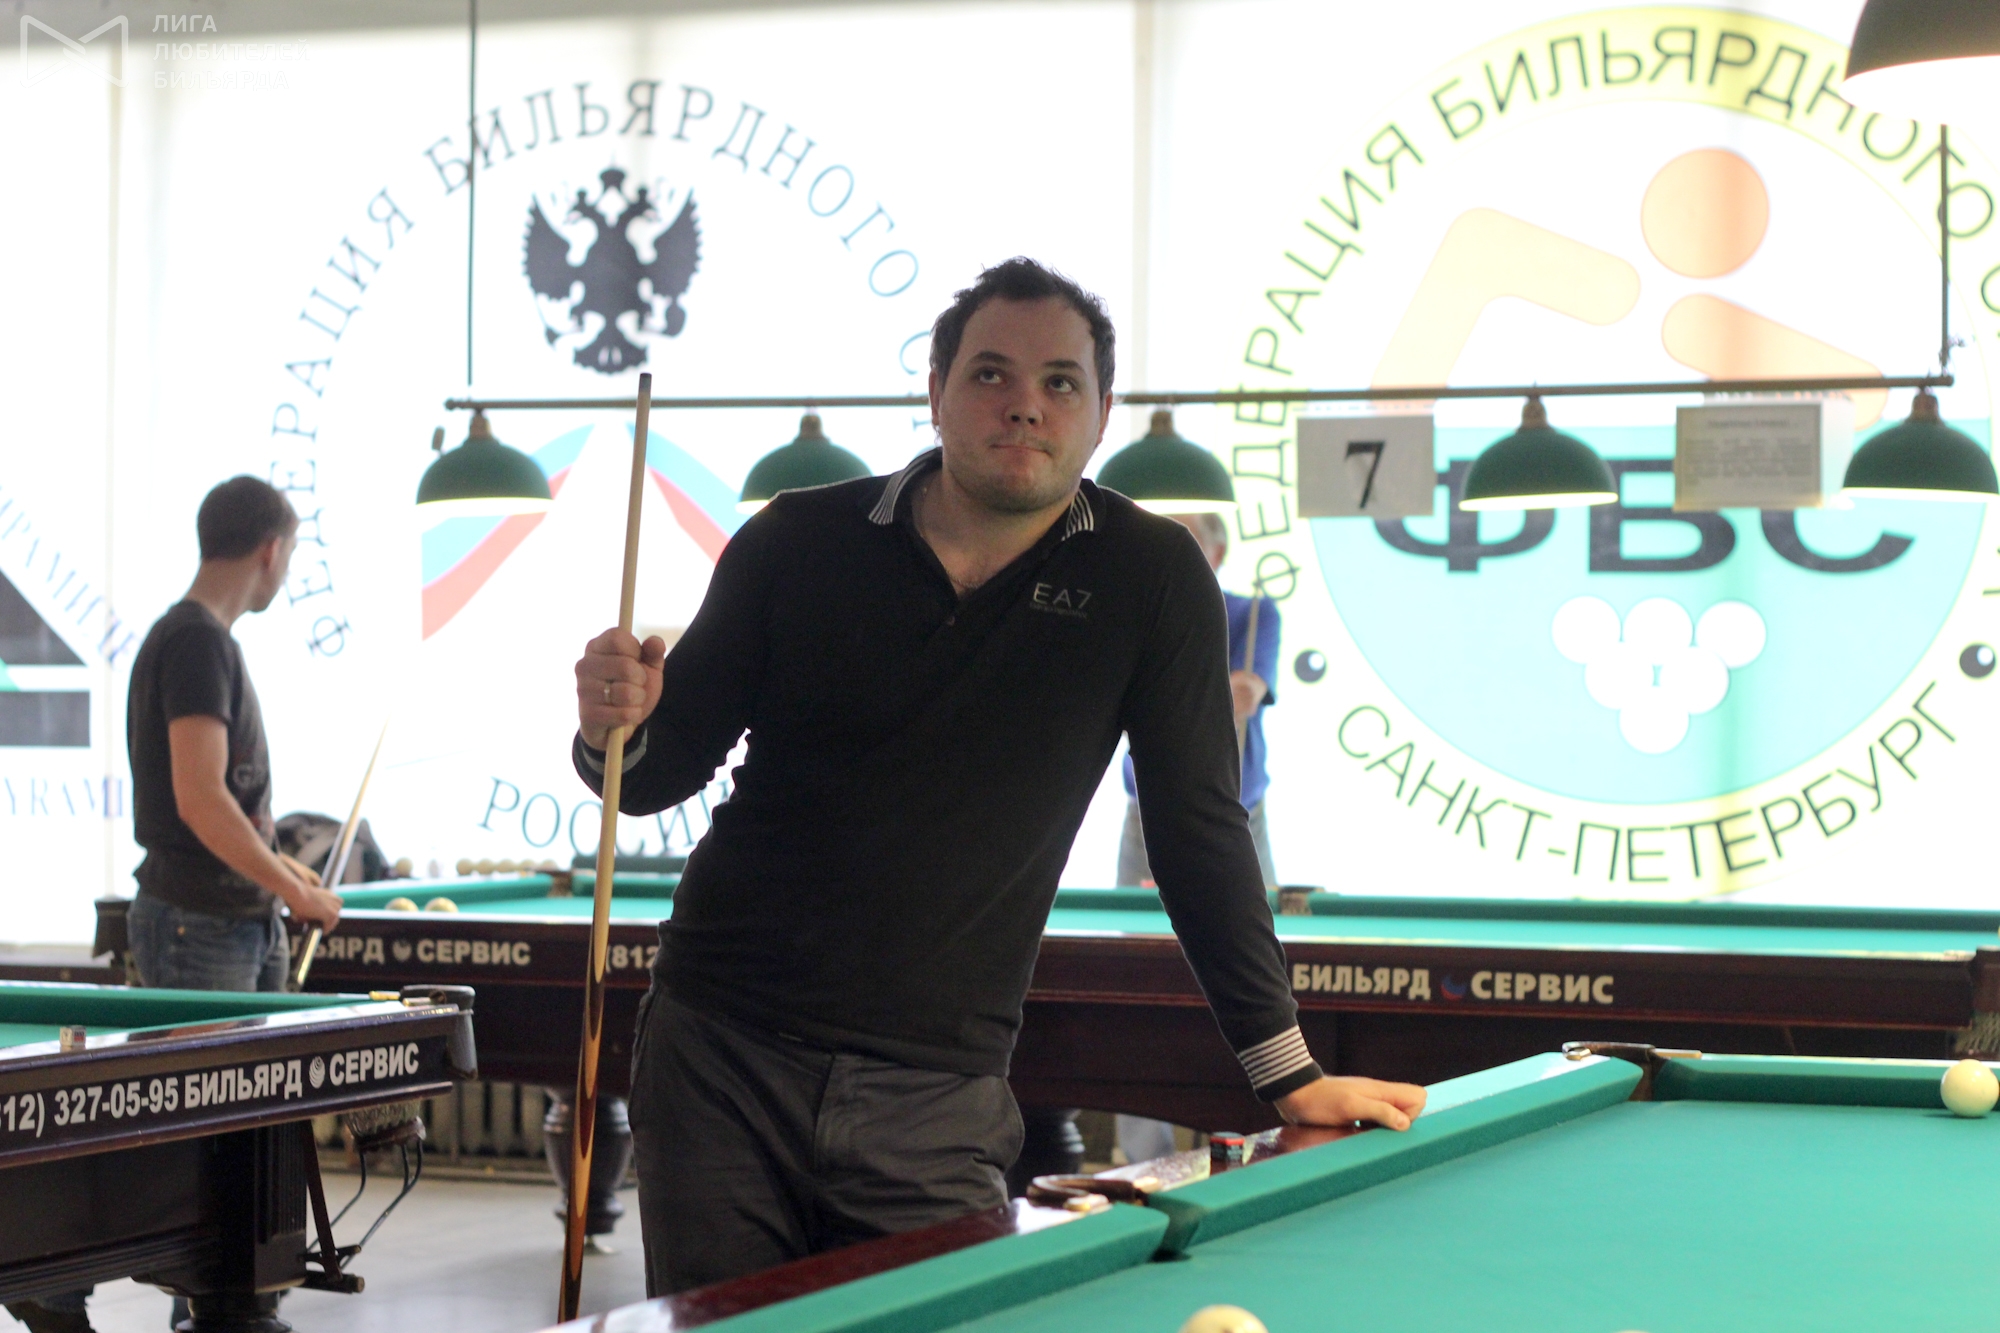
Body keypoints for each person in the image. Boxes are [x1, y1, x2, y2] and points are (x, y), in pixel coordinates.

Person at [572, 258, 1426, 1297]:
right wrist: (609, 725)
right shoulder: (795, 540)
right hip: (719, 1054)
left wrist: (1285, 1070)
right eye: (990, 374)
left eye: (1060, 382)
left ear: (1100, 415)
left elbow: (1197, 829)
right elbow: (650, 776)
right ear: (935, 391)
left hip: (936, 1088)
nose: (1025, 403)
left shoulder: (1151, 578)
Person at [2, 478, 350, 1333]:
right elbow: (199, 801)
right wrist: (292, 887)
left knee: (231, 1143)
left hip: (225, 921)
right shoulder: (196, 642)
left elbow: (223, 805)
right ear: (270, 548)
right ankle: (60, 1286)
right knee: (189, 1139)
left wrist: (286, 884)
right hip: (203, 925)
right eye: (289, 554)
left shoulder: (199, 639)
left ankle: (218, 1302)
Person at [1112, 510, 1278, 1166]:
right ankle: (1138, 1163)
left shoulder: (1251, 614)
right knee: (1131, 982)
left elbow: (1245, 693)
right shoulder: (1131, 610)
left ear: (1217, 551)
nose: (1169, 548)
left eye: (1186, 536)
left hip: (1238, 812)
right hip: (1143, 813)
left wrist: (1165, 683)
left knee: (1252, 966)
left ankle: (1246, 1150)